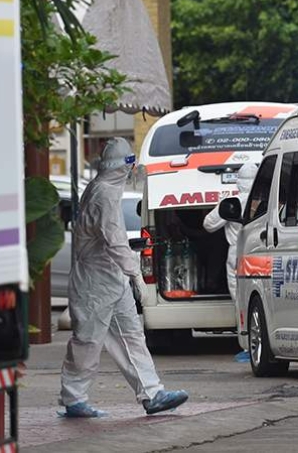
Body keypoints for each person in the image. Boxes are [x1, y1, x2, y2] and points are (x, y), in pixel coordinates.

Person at [60, 138, 189, 418]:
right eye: (130, 165)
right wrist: (136, 275)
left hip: (110, 279)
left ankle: (153, 393)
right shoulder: (104, 193)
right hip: (95, 283)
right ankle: (73, 397)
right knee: (88, 341)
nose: (132, 172)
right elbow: (114, 241)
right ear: (123, 166)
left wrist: (127, 274)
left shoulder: (103, 188)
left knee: (132, 336)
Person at [203, 163, 258, 362]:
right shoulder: (266, 200)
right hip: (262, 252)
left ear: (238, 182)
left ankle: (247, 346)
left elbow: (208, 224)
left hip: (237, 253)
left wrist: (222, 207)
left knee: (240, 300)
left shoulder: (231, 202)